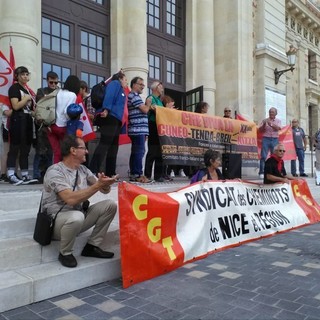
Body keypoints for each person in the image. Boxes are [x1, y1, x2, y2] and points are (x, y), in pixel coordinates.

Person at [41, 135, 118, 268]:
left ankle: (91, 247)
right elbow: (70, 199)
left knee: (110, 205)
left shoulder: (83, 170)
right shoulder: (55, 171)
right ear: (73, 150)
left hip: (78, 218)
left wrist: (105, 183)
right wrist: (98, 185)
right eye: (84, 148)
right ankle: (65, 253)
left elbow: (104, 190)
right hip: (55, 223)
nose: (87, 151)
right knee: (76, 217)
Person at [89, 71, 127, 177]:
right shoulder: (115, 84)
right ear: (120, 78)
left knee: (113, 147)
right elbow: (109, 96)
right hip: (110, 116)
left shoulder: (121, 89)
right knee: (105, 143)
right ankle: (92, 169)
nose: (126, 82)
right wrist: (106, 109)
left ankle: (111, 172)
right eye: (125, 79)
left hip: (116, 119)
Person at [6, 66, 38, 185]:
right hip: (17, 120)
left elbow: (29, 108)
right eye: (22, 74)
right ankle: (11, 174)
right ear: (17, 76)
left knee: (26, 149)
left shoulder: (27, 90)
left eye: (26, 74)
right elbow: (15, 106)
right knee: (15, 148)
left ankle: (24, 175)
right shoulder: (14, 88)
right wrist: (26, 99)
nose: (25, 76)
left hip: (28, 121)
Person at [47, 75, 80, 164]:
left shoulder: (57, 92)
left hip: (52, 125)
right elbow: (68, 111)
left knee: (56, 152)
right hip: (64, 126)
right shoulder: (72, 95)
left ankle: (55, 172)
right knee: (66, 152)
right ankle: (64, 173)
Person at [33, 71, 58, 183]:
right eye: (51, 82)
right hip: (42, 125)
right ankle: (36, 175)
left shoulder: (59, 92)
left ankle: (48, 175)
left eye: (55, 82)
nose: (53, 84)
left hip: (53, 124)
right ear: (47, 80)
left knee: (50, 152)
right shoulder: (41, 91)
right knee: (40, 151)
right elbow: (39, 104)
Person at [127, 76, 151, 183]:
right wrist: (148, 103)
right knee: (139, 152)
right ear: (134, 85)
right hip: (137, 129)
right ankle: (138, 175)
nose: (143, 87)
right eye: (140, 84)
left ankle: (134, 174)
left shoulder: (134, 96)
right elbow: (145, 110)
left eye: (143, 85)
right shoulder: (134, 96)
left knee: (137, 152)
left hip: (139, 130)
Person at [144, 80, 168, 182]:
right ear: (155, 88)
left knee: (160, 152)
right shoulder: (150, 98)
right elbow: (154, 109)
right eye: (160, 87)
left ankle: (158, 176)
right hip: (153, 125)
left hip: (160, 126)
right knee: (153, 151)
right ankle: (148, 175)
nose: (162, 89)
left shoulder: (159, 100)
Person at [161, 95, 186, 178]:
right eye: (171, 105)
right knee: (167, 153)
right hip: (166, 135)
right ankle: (168, 171)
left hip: (175, 135)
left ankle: (178, 170)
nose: (173, 107)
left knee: (177, 152)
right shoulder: (163, 111)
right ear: (167, 104)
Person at [258, 107, 281, 179]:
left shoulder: (278, 120)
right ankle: (261, 172)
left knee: (274, 156)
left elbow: (278, 128)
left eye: (273, 112)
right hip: (266, 138)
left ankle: (274, 172)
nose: (271, 113)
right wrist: (264, 124)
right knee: (263, 156)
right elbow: (260, 130)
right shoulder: (264, 120)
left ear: (276, 113)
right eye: (270, 112)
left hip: (274, 139)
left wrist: (270, 124)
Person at [0, 103, 12, 182]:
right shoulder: (3, 103)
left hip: (12, 126)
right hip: (6, 127)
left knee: (11, 151)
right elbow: (7, 113)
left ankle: (10, 173)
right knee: (6, 151)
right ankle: (3, 173)